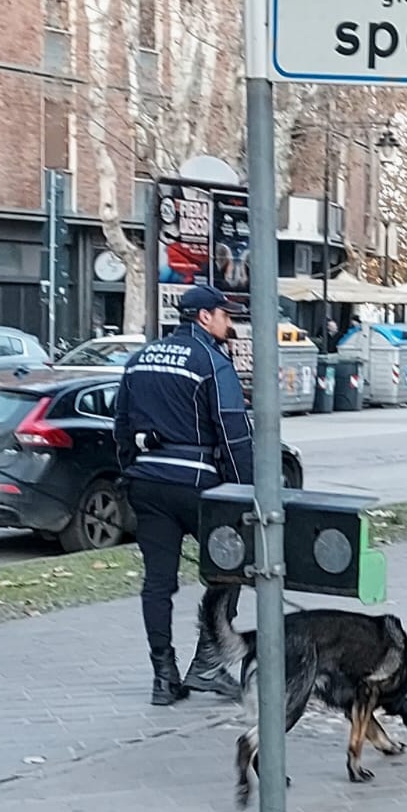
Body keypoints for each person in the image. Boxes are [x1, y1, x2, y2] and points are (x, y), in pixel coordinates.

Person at [113, 284, 254, 706]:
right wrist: (245, 491)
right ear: (204, 318)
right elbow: (233, 434)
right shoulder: (212, 362)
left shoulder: (140, 359)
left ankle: (163, 675)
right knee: (232, 567)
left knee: (157, 582)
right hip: (198, 486)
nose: (229, 322)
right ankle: (208, 663)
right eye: (224, 314)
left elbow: (120, 427)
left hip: (147, 484)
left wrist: (129, 470)